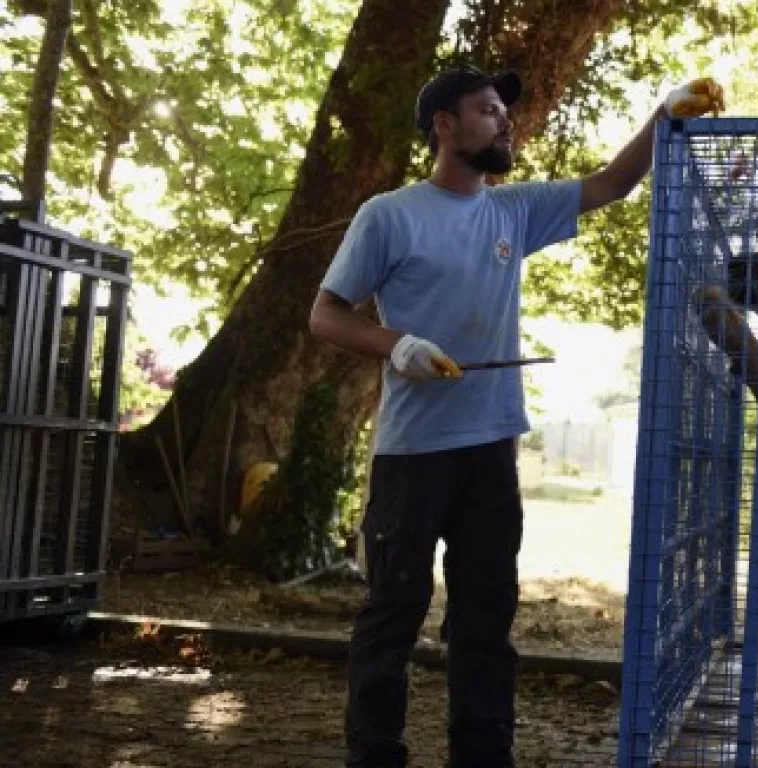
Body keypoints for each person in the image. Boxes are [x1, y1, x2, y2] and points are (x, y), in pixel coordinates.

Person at [307, 64, 725, 768]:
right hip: (412, 455)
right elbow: (326, 315)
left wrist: (666, 114)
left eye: (503, 110)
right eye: (488, 109)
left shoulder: (513, 210)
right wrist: (397, 344)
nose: (504, 121)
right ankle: (374, 755)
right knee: (392, 613)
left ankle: (483, 754)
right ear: (445, 124)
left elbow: (612, 184)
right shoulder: (389, 214)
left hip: (492, 449)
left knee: (485, 620)